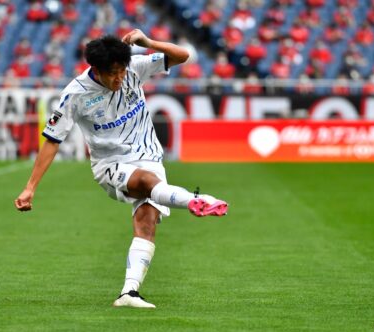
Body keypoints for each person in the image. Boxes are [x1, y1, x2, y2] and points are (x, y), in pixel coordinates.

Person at [14, 29, 228, 309]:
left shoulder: (135, 69)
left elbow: (183, 55)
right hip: (110, 165)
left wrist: (148, 43)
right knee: (147, 182)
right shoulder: (76, 95)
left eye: (122, 71)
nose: (119, 78)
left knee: (147, 221)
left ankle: (129, 293)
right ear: (96, 69)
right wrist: (30, 187)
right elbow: (52, 140)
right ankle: (194, 200)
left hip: (149, 155)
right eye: (112, 73)